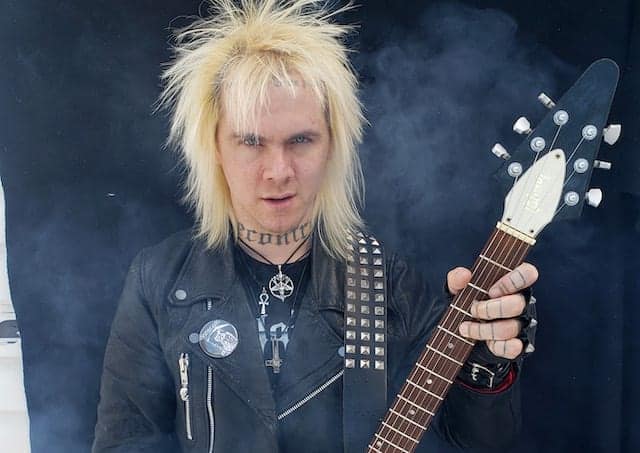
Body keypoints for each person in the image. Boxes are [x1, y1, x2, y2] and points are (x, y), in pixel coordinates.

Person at [92, 1, 538, 452]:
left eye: (301, 140)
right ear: (215, 149)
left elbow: (479, 438)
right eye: (251, 142)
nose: (278, 171)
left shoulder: (388, 281)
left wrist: (485, 361)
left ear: (332, 146)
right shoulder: (160, 279)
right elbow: (127, 441)